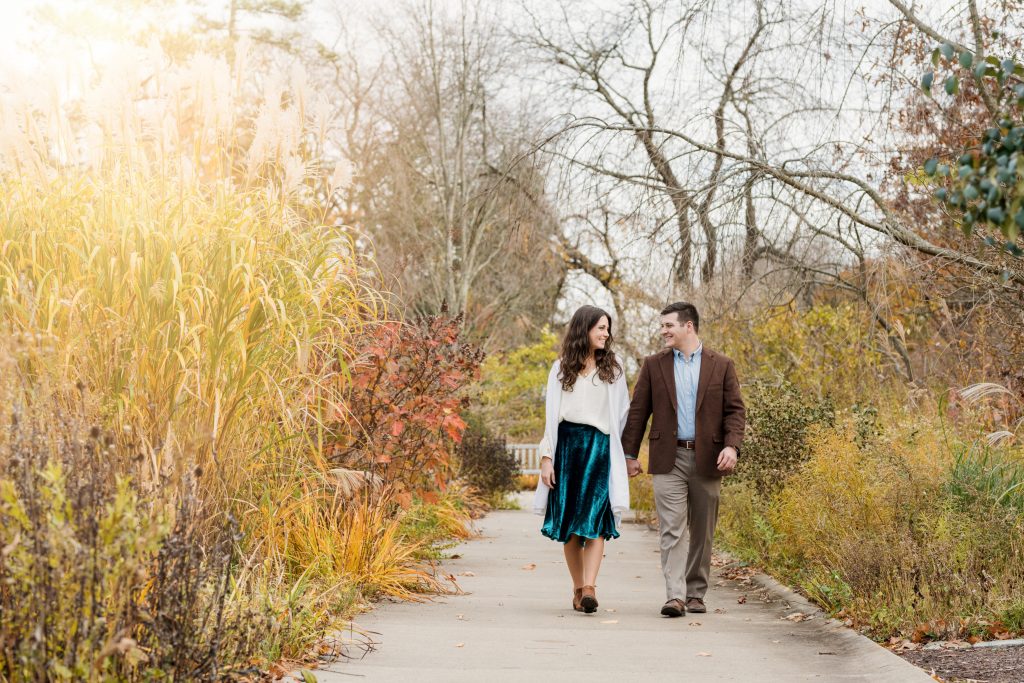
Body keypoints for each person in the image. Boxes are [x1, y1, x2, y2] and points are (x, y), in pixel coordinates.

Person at [621, 302, 745, 617]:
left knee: (702, 530)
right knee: (672, 528)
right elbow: (638, 413)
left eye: (668, 325)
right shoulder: (653, 365)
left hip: (708, 458)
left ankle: (695, 593)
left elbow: (735, 411)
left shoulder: (722, 365)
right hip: (668, 458)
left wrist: (731, 447)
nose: (663, 331)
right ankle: (674, 596)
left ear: (688, 326)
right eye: (662, 326)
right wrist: (629, 454)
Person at [533, 305, 630, 614]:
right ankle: (578, 588)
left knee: (596, 522)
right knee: (571, 525)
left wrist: (622, 454)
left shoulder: (613, 369)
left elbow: (623, 414)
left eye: (607, 328)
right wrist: (547, 458)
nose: (606, 333)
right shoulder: (561, 368)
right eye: (600, 328)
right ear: (584, 329)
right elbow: (550, 417)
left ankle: (590, 587)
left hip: (599, 450)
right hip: (568, 448)